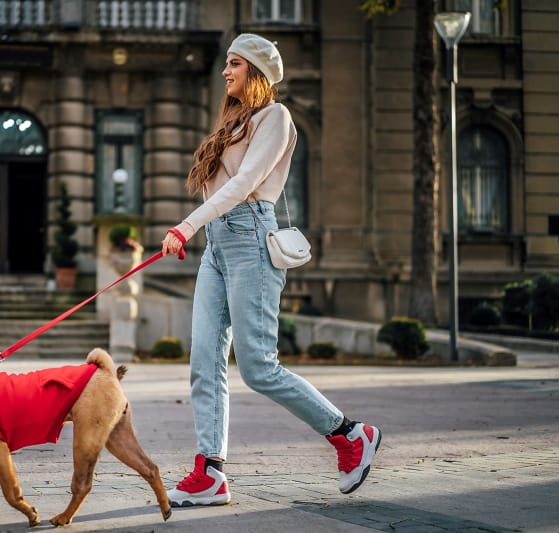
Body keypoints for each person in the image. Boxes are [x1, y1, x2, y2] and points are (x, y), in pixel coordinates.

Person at [161, 33, 381, 507]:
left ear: (257, 71)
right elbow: (220, 188)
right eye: (226, 63)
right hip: (217, 248)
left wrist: (185, 226)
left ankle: (348, 434)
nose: (226, 72)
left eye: (235, 64)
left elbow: (245, 184)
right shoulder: (233, 122)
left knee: (258, 366)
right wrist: (199, 232)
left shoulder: (276, 118)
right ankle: (210, 471)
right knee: (203, 362)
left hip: (250, 243)